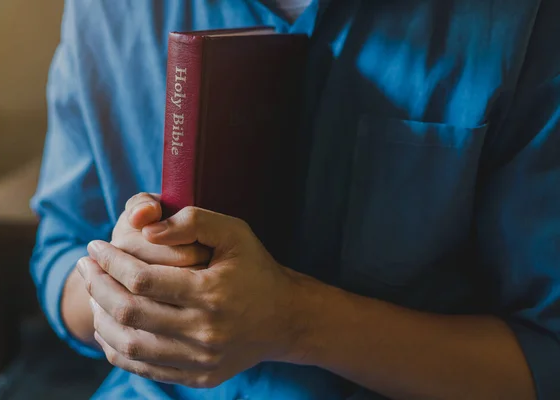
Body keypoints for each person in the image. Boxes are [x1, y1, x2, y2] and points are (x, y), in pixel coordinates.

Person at [30, 1, 560, 399]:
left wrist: (296, 322)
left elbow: (543, 353)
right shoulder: (105, 11)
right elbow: (60, 253)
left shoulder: (524, 22)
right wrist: (120, 293)